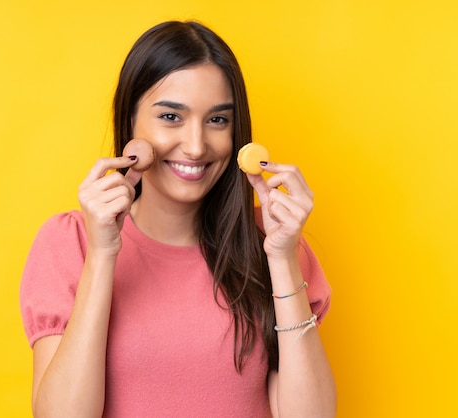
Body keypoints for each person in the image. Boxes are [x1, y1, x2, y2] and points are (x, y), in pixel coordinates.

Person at [20, 20, 336, 417]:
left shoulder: (272, 243)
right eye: (171, 117)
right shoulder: (71, 243)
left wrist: (282, 257)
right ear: (130, 122)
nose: (195, 145)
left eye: (217, 120)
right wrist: (103, 253)